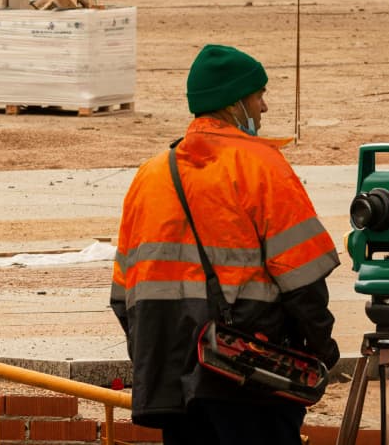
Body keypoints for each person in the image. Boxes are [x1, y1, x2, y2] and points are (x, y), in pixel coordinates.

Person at [110, 44, 341, 445]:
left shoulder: (149, 177)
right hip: (247, 375)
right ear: (236, 104)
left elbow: (122, 295)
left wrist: (158, 355)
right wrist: (321, 351)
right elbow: (304, 279)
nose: (264, 108)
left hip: (170, 381)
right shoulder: (261, 166)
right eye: (258, 96)